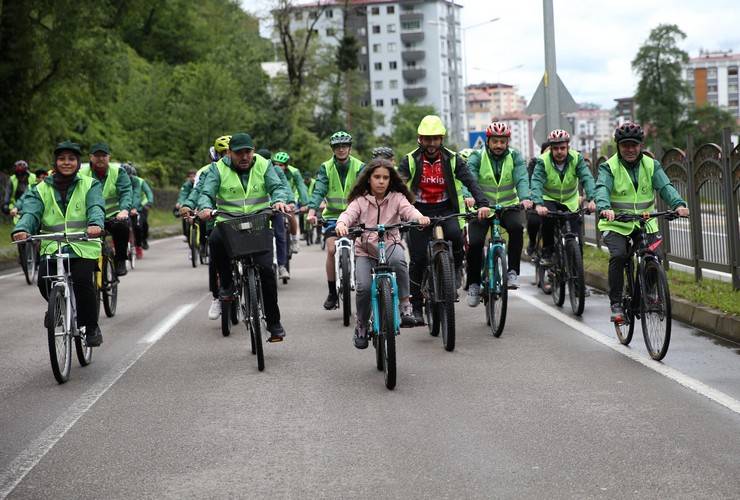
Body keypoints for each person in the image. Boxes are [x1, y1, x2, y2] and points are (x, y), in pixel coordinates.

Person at [197, 133, 293, 340]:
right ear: (229, 153)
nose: (244, 157)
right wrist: (205, 207)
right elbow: (206, 192)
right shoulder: (218, 168)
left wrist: (278, 200)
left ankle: (274, 323)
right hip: (227, 224)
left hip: (258, 224)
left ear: (253, 151)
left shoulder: (264, 165)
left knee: (267, 271)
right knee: (214, 240)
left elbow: (277, 187)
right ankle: (227, 285)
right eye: (239, 152)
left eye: (248, 152)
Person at [397, 115, 490, 324]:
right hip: (419, 211)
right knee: (419, 258)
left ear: (442, 139)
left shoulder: (453, 158)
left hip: (446, 208)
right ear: (420, 139)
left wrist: (482, 203)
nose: (431, 144)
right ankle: (417, 306)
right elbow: (399, 186)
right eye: (427, 139)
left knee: (456, 238)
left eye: (435, 139)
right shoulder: (410, 160)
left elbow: (470, 181)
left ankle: (454, 271)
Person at [12, 141, 105, 346]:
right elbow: (30, 212)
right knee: (44, 280)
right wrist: (22, 228)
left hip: (83, 245)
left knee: (82, 280)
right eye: (62, 159)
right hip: (53, 245)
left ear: (78, 163)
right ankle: (58, 309)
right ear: (55, 162)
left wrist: (95, 224)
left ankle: (90, 326)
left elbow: (96, 206)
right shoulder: (40, 188)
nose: (66, 162)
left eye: (71, 159)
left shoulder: (90, 184)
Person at [595, 122, 689, 323]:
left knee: (654, 255)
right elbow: (602, 187)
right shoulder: (609, 166)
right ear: (618, 146)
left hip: (645, 223)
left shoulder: (651, 165)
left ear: (641, 145)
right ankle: (616, 303)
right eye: (625, 145)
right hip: (616, 223)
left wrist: (679, 204)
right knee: (619, 255)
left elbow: (665, 187)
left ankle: (649, 293)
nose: (630, 149)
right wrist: (604, 207)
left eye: (634, 145)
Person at [336, 159, 430, 347]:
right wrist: (342, 224)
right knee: (362, 288)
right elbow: (348, 214)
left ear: (390, 180)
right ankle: (362, 324)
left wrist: (419, 218)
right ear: (368, 179)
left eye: (385, 178)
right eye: (377, 177)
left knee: (400, 263)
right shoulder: (360, 201)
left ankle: (405, 306)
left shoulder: (397, 198)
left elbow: (409, 210)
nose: (381, 181)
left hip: (390, 244)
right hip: (365, 250)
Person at [464, 121, 532, 306]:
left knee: (517, 228)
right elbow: (469, 179)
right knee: (476, 242)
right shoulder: (477, 157)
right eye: (495, 141)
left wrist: (525, 197)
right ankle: (474, 284)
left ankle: (512, 272)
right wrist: (469, 196)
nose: (499, 145)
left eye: (503, 141)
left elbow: (522, 178)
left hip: (508, 206)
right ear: (488, 141)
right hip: (482, 208)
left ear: (507, 142)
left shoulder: (516, 156)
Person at [307, 131, 365, 310]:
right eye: (337, 147)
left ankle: (368, 288)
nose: (341, 149)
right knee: (331, 250)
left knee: (363, 251)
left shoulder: (360, 166)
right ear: (333, 149)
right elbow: (319, 191)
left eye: (344, 146)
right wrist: (311, 212)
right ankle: (332, 292)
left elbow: (366, 190)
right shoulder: (326, 167)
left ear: (349, 147)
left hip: (356, 216)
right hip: (332, 216)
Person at [530, 129, 596, 268]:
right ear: (551, 149)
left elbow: (587, 178)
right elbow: (536, 182)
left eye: (562, 148)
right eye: (555, 148)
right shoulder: (542, 161)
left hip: (570, 200)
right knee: (548, 218)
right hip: (549, 198)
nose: (559, 152)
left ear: (568, 147)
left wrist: (592, 199)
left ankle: (579, 283)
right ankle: (548, 252)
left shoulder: (577, 158)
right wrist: (538, 204)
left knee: (576, 238)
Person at [181, 136, 230, 320]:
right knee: (215, 258)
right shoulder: (208, 171)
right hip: (214, 220)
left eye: (228, 152)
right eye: (223, 153)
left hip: (240, 220)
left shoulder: (245, 168)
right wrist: (188, 205)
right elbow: (199, 191)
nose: (227, 156)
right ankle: (217, 296)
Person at [78, 143, 133, 276]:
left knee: (123, 226)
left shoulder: (118, 171)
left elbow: (126, 192)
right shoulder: (81, 173)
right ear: (91, 157)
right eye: (97, 156)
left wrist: (124, 210)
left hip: (112, 217)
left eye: (103, 155)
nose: (100, 159)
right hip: (90, 218)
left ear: (109, 157)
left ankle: (120, 260)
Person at [259, 148, 294, 281]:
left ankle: (281, 265)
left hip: (277, 208)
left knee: (280, 234)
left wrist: (289, 201)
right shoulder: (253, 170)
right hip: (259, 210)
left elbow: (284, 186)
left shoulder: (277, 171)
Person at [271, 151, 309, 255]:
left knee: (291, 215)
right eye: (276, 164)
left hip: (290, 197)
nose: (278, 167)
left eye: (281, 165)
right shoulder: (271, 171)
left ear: (286, 165)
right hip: (277, 197)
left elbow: (301, 186)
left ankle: (294, 239)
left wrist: (305, 203)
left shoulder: (294, 172)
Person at [176, 170, 197, 238]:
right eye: (191, 177)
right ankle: (186, 234)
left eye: (194, 176)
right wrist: (181, 203)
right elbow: (183, 195)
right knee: (184, 214)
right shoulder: (186, 185)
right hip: (188, 204)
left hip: (198, 204)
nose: (193, 178)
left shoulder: (200, 183)